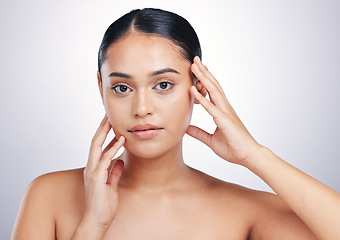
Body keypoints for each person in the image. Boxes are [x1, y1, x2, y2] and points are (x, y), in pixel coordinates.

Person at [11, 8, 340, 240]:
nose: (142, 109)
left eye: (163, 85)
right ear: (102, 89)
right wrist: (91, 230)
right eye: (122, 88)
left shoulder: (249, 210)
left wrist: (254, 155)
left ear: (197, 85)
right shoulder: (49, 196)